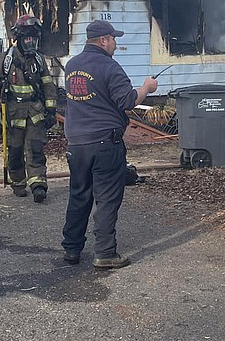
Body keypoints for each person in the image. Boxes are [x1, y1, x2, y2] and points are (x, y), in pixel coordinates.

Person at [60, 19, 157, 269]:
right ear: (103, 40)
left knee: (79, 195)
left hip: (76, 143)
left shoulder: (72, 66)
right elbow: (127, 101)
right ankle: (105, 253)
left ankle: (72, 249)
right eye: (114, 39)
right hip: (105, 143)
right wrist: (146, 87)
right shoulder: (108, 66)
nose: (115, 44)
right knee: (106, 198)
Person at [0, 14, 58, 202]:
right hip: (13, 113)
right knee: (16, 151)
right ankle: (18, 182)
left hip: (35, 112)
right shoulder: (5, 59)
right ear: (19, 38)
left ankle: (38, 185)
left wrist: (51, 110)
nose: (31, 43)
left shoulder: (39, 60)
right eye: (28, 39)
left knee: (36, 148)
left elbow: (48, 86)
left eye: (34, 39)